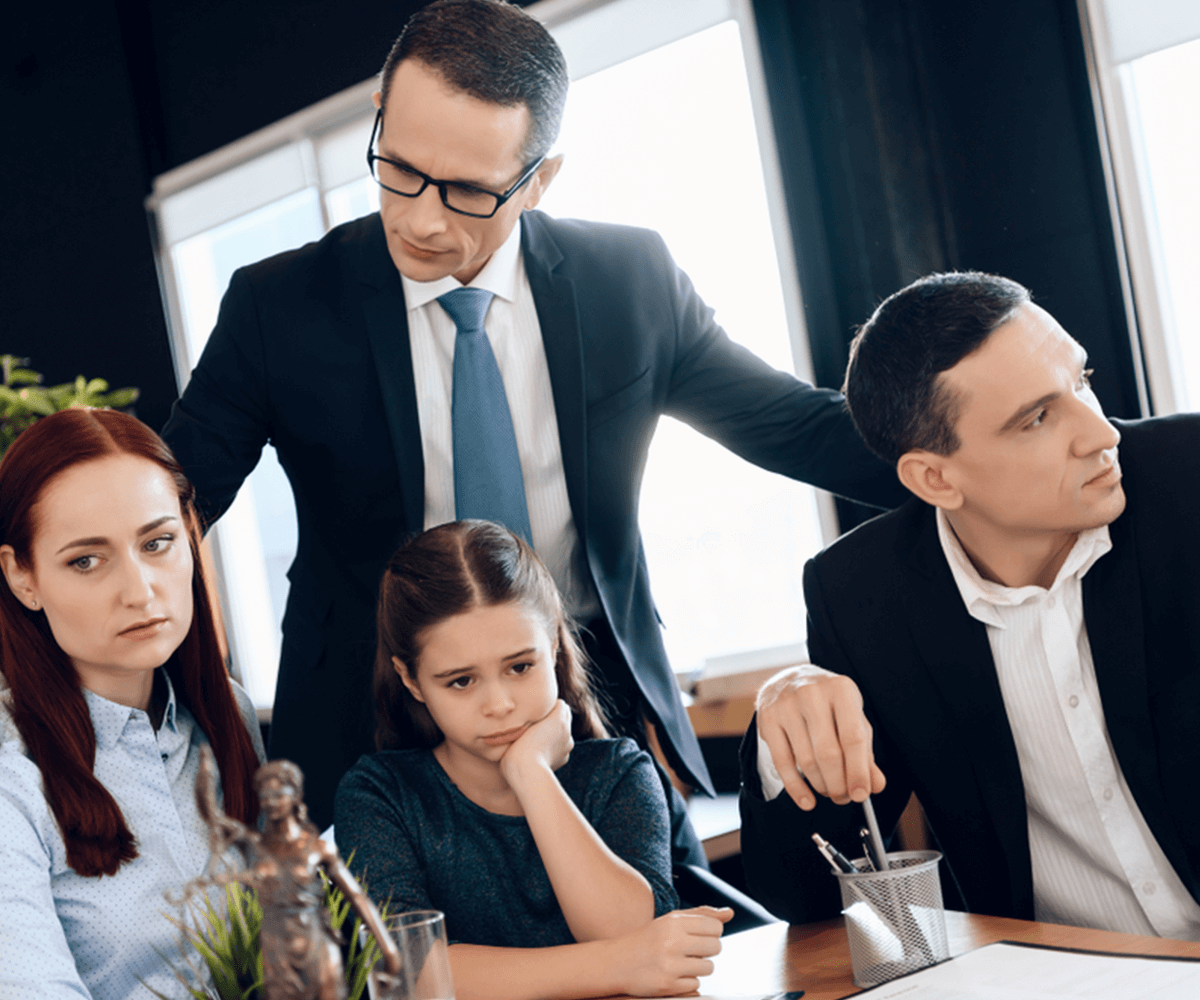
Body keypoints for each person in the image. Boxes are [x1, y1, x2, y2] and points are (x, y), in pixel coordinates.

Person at [159, 0, 907, 842]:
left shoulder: (628, 279)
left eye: (469, 191)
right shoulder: (279, 307)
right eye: (398, 168)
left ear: (539, 179)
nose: (420, 218)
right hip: (372, 720)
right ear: (380, 110)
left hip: (583, 696)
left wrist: (997, 455)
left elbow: (797, 428)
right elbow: (168, 501)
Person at [739, 272, 1200, 938]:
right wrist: (787, 717)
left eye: (1083, 381)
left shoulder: (1188, 481)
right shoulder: (864, 598)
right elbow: (803, 897)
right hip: (1055, 982)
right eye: (1038, 418)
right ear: (935, 477)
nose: (1101, 432)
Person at [334, 520, 733, 1000]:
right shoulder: (379, 795)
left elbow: (625, 927)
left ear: (556, 649)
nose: (499, 703)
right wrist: (621, 963)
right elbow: (412, 971)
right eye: (461, 681)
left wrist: (531, 773)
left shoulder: (620, 771)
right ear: (412, 680)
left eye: (521, 667)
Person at [0, 408, 267, 1000]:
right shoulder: (11, 780)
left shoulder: (227, 718)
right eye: (86, 561)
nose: (140, 591)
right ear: (23, 576)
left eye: (158, 542)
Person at [189, 752, 402, 1000]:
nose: (271, 802)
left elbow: (358, 898)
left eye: (279, 794)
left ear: (296, 796)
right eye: (265, 796)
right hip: (277, 952)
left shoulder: (317, 849)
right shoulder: (258, 846)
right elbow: (213, 818)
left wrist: (389, 950)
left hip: (316, 944)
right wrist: (204, 773)